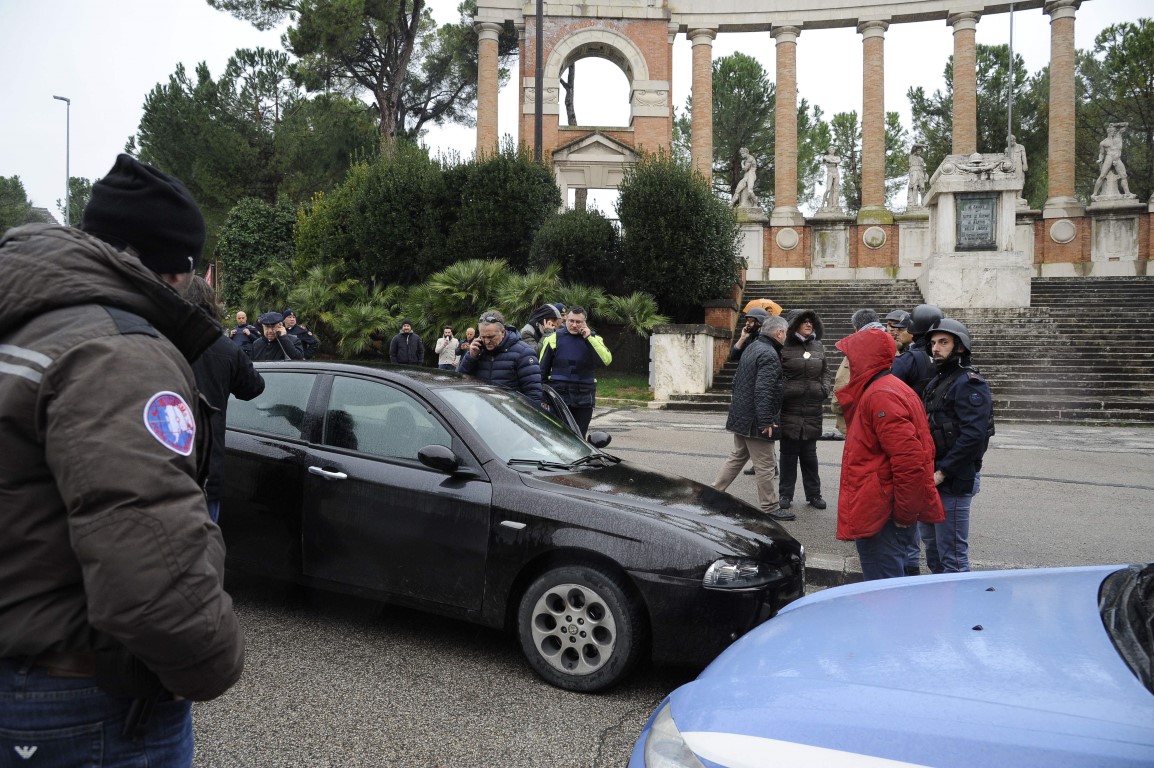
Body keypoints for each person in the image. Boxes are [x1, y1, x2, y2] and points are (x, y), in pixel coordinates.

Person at [0, 154, 244, 763]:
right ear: (178, 269)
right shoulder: (119, 351)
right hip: (85, 700)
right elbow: (149, 562)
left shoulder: (27, 326)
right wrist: (214, 659)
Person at [834, 328, 945, 580]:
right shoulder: (887, 388)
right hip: (883, 507)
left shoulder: (881, 394)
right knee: (892, 586)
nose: (849, 363)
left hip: (883, 512)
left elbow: (910, 461)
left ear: (865, 357)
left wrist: (905, 514)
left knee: (883, 591)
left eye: (853, 356)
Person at [188, 277, 265, 523]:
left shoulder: (159, 339)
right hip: (207, 470)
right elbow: (253, 387)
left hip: (163, 468)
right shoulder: (225, 347)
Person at [921, 318, 994, 574]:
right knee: (932, 550)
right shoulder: (938, 380)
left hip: (954, 479)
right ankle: (940, 606)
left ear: (960, 346)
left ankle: (960, 610)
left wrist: (943, 472)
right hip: (933, 476)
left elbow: (973, 436)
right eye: (933, 343)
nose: (936, 348)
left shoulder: (970, 383)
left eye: (943, 342)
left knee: (952, 556)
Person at [712, 315, 792, 522]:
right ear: (780, 333)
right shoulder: (769, 354)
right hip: (756, 419)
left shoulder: (753, 346)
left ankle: (714, 492)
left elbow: (737, 382)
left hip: (742, 415)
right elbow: (764, 390)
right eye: (786, 334)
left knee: (737, 456)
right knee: (765, 464)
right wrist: (766, 421)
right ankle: (770, 506)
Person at [778, 309, 830, 511]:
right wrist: (786, 390)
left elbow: (825, 371)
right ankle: (785, 495)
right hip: (789, 407)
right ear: (794, 324)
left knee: (810, 455)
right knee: (788, 454)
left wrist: (823, 389)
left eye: (811, 321)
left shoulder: (818, 345)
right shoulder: (784, 346)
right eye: (804, 322)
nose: (809, 324)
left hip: (812, 408)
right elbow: (777, 373)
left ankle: (814, 495)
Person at [539, 305, 613, 437]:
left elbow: (606, 360)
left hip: (584, 396)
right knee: (559, 435)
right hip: (560, 395)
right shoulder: (553, 338)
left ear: (584, 322)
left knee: (579, 436)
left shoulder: (594, 339)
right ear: (565, 320)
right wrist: (544, 397)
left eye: (578, 322)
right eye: (571, 321)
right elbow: (541, 371)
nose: (574, 325)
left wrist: (589, 338)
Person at [458, 310, 543, 402]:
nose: (486, 341)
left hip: (510, 414)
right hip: (482, 410)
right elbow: (460, 380)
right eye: (483, 337)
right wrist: (471, 357)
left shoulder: (524, 353)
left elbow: (534, 396)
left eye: (491, 337)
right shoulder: (478, 350)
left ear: (502, 332)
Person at [830, 308, 886, 435]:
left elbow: (842, 384)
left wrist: (836, 406)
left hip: (859, 418)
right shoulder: (890, 343)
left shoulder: (856, 348)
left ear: (855, 327)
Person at [892, 303, 940, 396]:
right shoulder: (949, 357)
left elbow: (891, 392)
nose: (897, 333)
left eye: (902, 329)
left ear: (912, 329)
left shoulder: (906, 360)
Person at [1092, 122, 1134, 199]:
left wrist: (1114, 124)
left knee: (1124, 176)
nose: (1114, 132)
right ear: (1109, 132)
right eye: (1113, 131)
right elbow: (1101, 153)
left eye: (1115, 131)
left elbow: (1126, 125)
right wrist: (1100, 159)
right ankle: (1094, 193)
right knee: (1102, 176)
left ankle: (1127, 193)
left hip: (1117, 158)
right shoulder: (1103, 142)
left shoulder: (1118, 137)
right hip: (1109, 157)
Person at [907, 143, 928, 208]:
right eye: (918, 150)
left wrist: (925, 174)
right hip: (913, 171)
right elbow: (914, 145)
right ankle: (915, 203)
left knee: (922, 188)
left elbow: (923, 168)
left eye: (920, 150)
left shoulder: (921, 159)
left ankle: (923, 202)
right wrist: (923, 145)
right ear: (915, 151)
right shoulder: (912, 156)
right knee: (915, 187)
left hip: (920, 172)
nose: (919, 151)